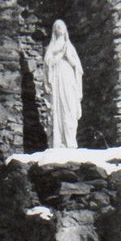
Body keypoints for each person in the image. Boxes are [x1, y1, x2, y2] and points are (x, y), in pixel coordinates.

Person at [43, 18, 83, 149]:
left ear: (65, 29)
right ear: (54, 30)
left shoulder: (69, 46)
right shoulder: (52, 46)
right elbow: (47, 63)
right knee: (59, 107)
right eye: (57, 26)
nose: (59, 28)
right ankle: (59, 141)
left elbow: (78, 67)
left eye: (62, 26)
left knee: (69, 106)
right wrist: (58, 56)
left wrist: (68, 57)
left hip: (68, 78)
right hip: (57, 78)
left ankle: (70, 140)